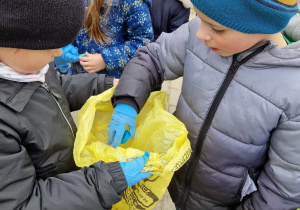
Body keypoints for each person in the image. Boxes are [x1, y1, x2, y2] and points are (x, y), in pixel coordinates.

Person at [107, 0, 300, 209]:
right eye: (200, 19)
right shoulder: (200, 33)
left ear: (261, 25)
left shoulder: (292, 90)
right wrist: (128, 99)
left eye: (216, 28)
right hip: (178, 181)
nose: (201, 34)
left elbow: (282, 189)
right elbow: (154, 58)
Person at [0, 0, 151, 209]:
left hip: (67, 179)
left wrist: (104, 84)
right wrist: (105, 181)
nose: (59, 53)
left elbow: (55, 87)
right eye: (51, 46)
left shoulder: (29, 70)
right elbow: (23, 204)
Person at [54, 0, 154, 79]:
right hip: (78, 78)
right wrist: (64, 45)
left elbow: (143, 41)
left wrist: (106, 59)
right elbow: (62, 24)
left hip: (115, 82)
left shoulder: (133, 3)